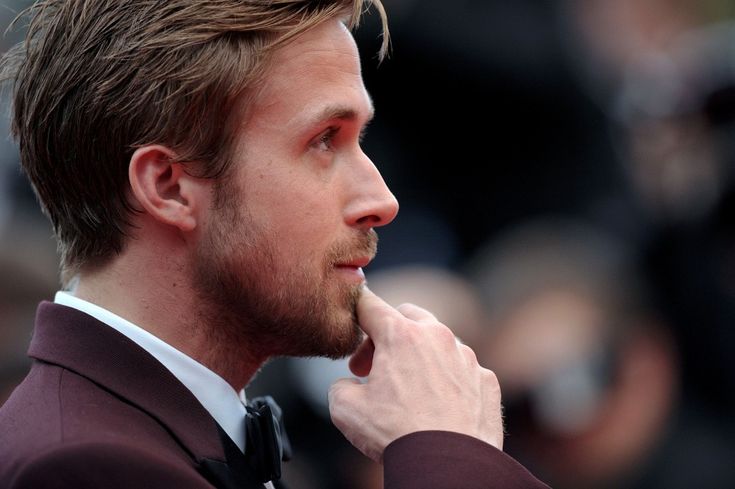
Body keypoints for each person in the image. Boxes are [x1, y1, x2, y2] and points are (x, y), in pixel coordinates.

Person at [0, 1, 547, 488]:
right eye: (323, 141)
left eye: (361, 140)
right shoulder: (86, 467)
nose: (381, 200)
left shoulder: (163, 432)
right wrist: (448, 453)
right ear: (169, 186)